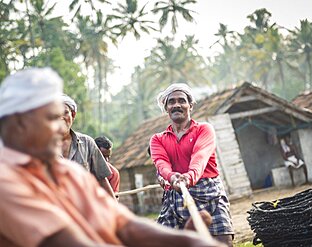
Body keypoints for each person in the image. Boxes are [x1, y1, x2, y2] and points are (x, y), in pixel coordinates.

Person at [0, 68, 225, 247]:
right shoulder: (5, 179)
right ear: (19, 124)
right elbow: (65, 242)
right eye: (51, 119)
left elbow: (123, 224)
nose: (61, 128)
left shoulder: (69, 172)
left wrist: (187, 241)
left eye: (63, 118)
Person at [150, 83, 234, 247]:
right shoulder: (157, 139)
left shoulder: (204, 129)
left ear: (190, 105)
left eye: (181, 100)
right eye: (171, 102)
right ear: (166, 108)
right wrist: (172, 177)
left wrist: (188, 178)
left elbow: (200, 156)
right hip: (175, 196)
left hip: (209, 193)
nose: (176, 105)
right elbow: (161, 163)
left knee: (223, 243)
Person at [60, 94, 114, 198]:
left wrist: (115, 210)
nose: (61, 118)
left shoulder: (87, 143)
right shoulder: (40, 147)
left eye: (65, 112)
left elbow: (102, 180)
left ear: (73, 115)